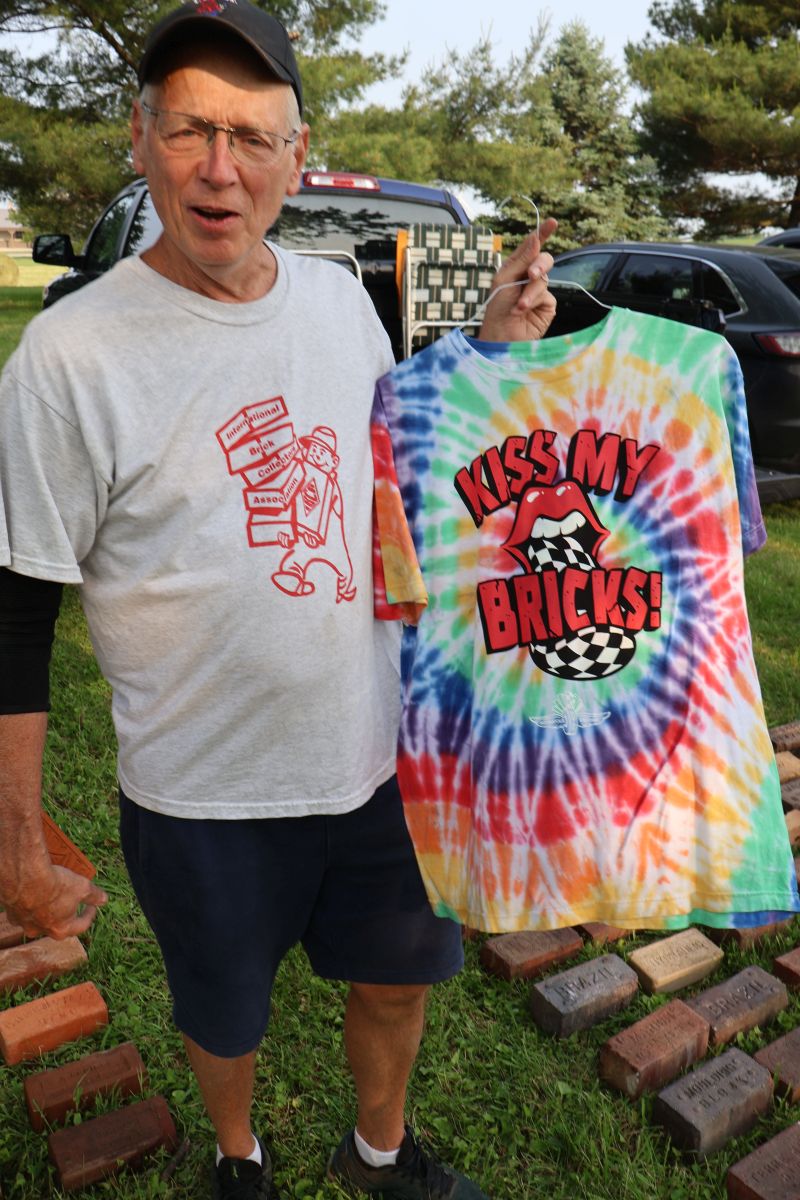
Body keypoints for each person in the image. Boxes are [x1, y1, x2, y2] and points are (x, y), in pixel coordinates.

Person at [0, 3, 555, 1197]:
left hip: (376, 759)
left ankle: (378, 1155)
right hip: (202, 796)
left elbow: (393, 458)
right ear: (139, 139)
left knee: (396, 982)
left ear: (295, 157)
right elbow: (14, 618)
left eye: (252, 137)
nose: (220, 168)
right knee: (225, 1017)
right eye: (190, 130)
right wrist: (18, 844)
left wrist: (487, 347)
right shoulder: (67, 359)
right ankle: (238, 1158)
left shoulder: (335, 298)